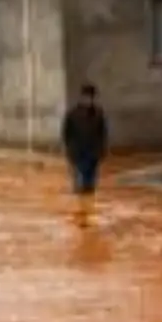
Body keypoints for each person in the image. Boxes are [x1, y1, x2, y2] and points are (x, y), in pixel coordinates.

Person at [60, 83, 108, 225]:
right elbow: (66, 134)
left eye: (91, 97)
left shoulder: (99, 114)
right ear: (81, 98)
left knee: (90, 182)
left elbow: (103, 134)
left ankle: (87, 211)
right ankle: (83, 211)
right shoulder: (72, 114)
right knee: (82, 180)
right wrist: (69, 150)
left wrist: (102, 150)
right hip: (78, 152)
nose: (89, 100)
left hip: (93, 153)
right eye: (87, 97)